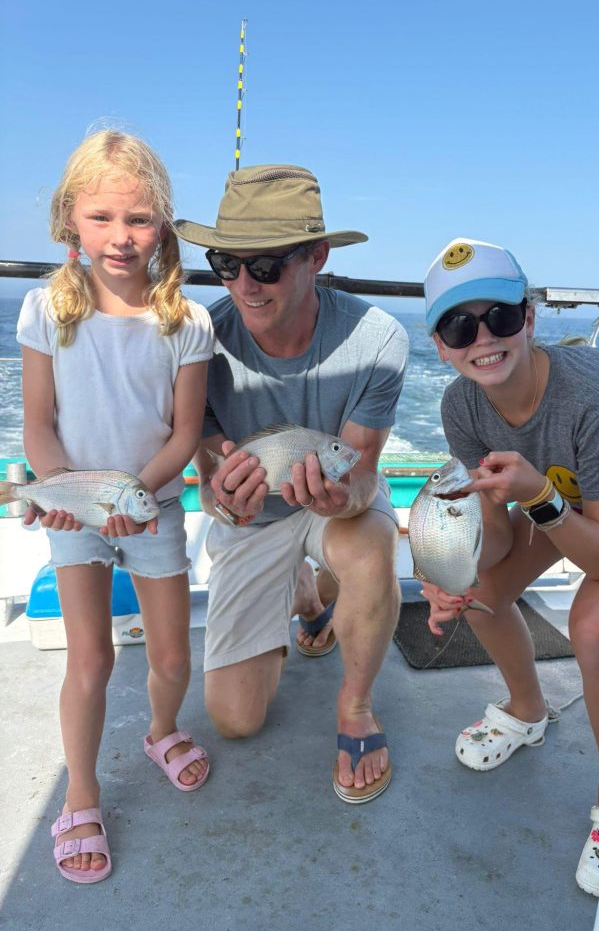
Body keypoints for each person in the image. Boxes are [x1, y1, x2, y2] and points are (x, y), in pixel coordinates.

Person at [419, 238, 599, 897]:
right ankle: (527, 710)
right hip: (567, 491)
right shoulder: (460, 407)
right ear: (439, 346)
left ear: (528, 319)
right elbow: (497, 537)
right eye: (458, 326)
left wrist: (538, 495)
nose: (482, 338)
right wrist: (452, 575)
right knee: (483, 596)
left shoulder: (595, 395)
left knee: (595, 626)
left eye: (499, 316)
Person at [17, 131, 215, 884]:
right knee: (91, 659)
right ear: (70, 218)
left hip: (153, 508)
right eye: (100, 217)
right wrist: (64, 491)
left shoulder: (187, 322)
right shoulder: (46, 309)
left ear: (162, 226)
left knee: (172, 656)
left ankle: (161, 730)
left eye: (138, 219)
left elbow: (185, 433)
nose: (120, 236)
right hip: (76, 516)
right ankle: (81, 792)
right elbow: (38, 424)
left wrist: (135, 497)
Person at [175, 164, 408, 803]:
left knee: (371, 546)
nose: (244, 284)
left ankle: (356, 707)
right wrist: (226, 502)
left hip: (334, 506)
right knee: (235, 720)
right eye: (226, 263)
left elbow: (361, 470)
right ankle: (308, 597)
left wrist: (344, 497)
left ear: (317, 258)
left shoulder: (377, 339)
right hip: (257, 521)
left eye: (266, 265)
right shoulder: (199, 344)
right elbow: (208, 480)